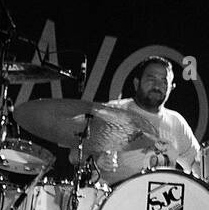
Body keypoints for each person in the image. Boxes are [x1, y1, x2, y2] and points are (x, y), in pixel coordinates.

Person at [73, 56, 202, 186]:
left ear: (171, 88)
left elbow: (197, 165)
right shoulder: (112, 111)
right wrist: (95, 160)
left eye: (164, 81)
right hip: (114, 199)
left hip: (160, 202)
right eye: (151, 79)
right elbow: (74, 155)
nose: (157, 86)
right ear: (136, 83)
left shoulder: (176, 122)